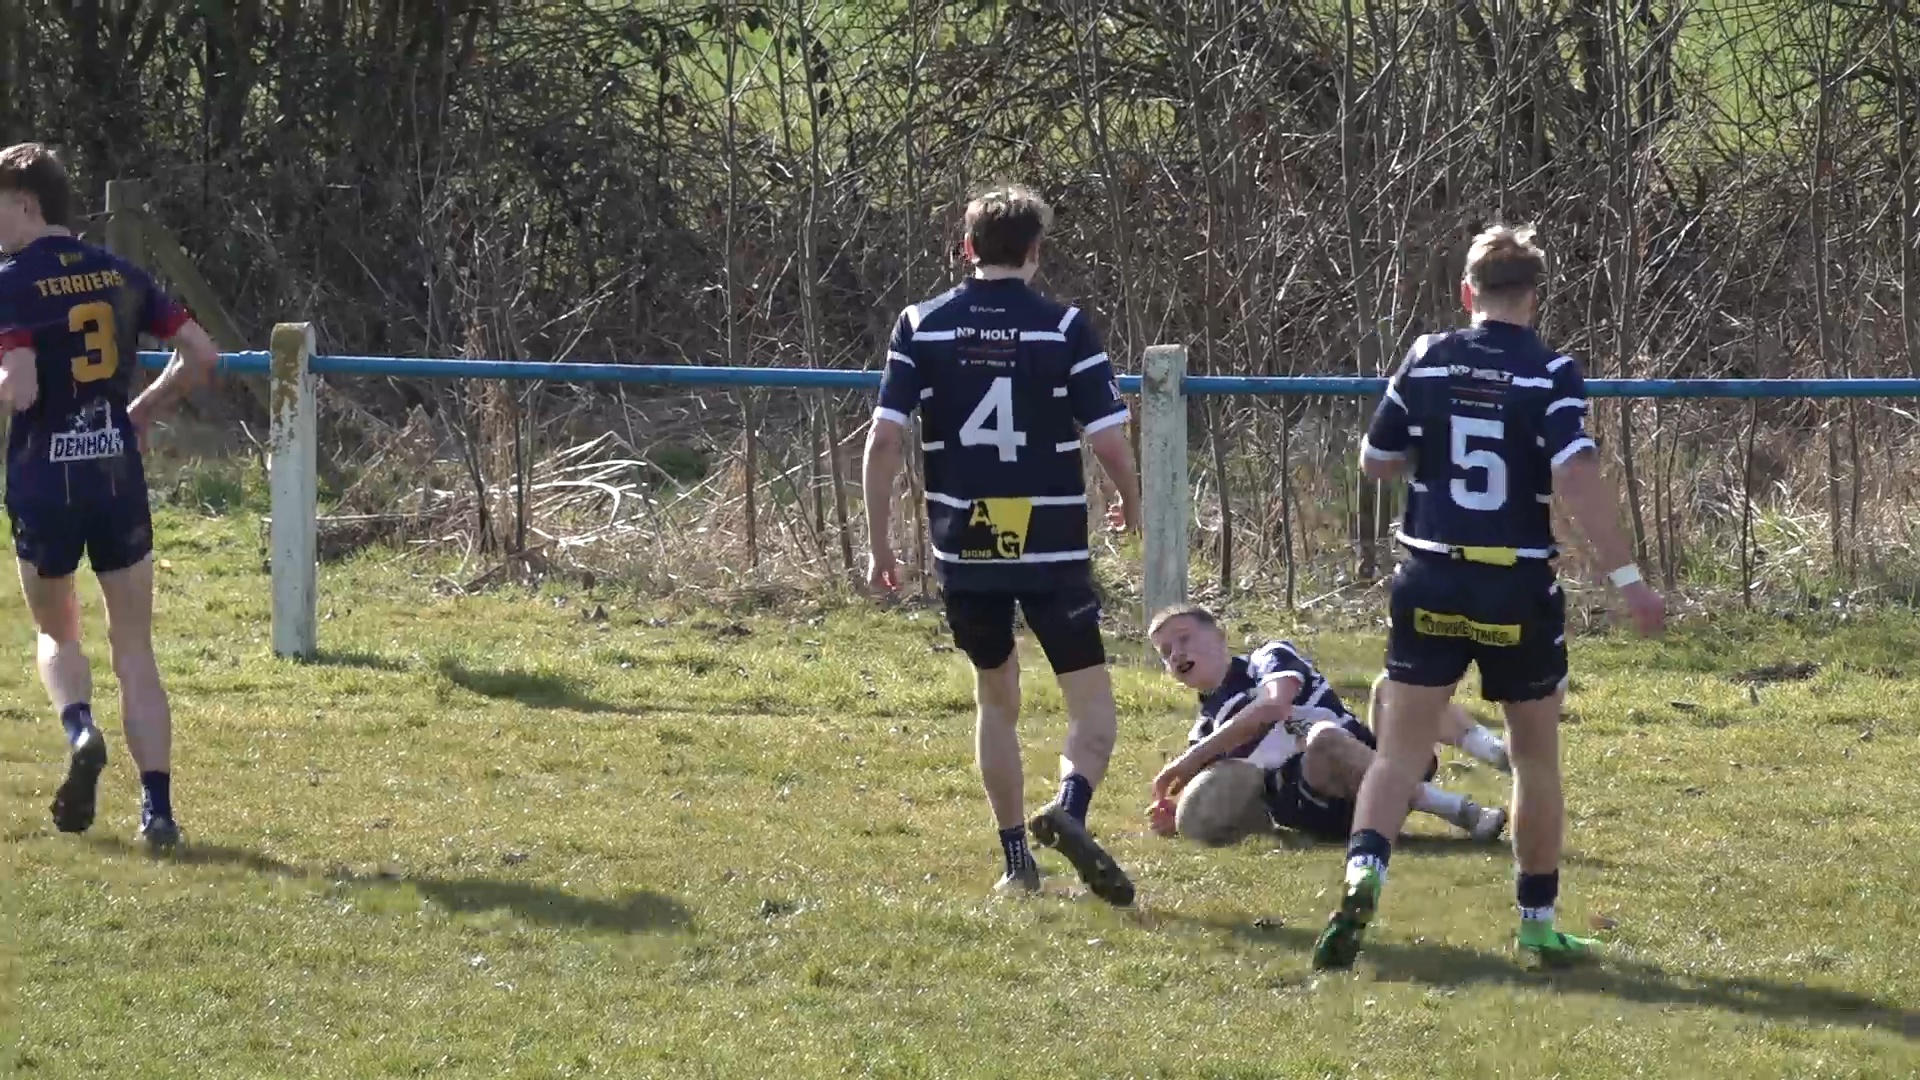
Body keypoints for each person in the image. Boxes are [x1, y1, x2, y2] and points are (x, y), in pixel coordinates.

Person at [1311, 225, 1666, 970]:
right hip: (1513, 584)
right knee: (1536, 761)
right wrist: (1628, 579)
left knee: (1398, 751)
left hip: (1430, 573)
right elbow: (1574, 477)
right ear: (1533, 298)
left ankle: (1363, 874)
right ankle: (1537, 923)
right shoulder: (1551, 373)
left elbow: (1376, 460)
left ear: (1466, 293)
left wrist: (1428, 454)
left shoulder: (1427, 357)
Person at [861, 185, 1142, 904]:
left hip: (969, 540)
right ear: (1036, 253)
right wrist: (1129, 498)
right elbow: (1106, 438)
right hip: (1048, 540)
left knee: (997, 697)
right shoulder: (1064, 327)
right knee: (1092, 711)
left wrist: (880, 545)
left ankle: (1017, 863)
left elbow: (885, 439)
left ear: (966, 249)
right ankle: (1070, 811)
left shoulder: (922, 325)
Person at [0, 142, 220, 850]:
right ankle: (157, 812)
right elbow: (202, 353)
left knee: (56, 634)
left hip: (44, 478)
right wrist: (146, 411)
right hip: (114, 473)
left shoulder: (10, 282)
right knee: (136, 651)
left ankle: (80, 727)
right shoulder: (120, 273)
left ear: (26, 204)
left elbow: (20, 390)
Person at [1142, 605, 1510, 845]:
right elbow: (1218, 803)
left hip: (1375, 760)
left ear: (1220, 636)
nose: (1176, 653)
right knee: (1321, 739)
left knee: (1392, 687)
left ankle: (1502, 756)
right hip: (1325, 805)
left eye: (1184, 638)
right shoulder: (1204, 732)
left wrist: (1188, 762)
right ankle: (1463, 813)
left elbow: (1273, 705)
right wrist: (1179, 814)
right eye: (1165, 652)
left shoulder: (1268, 659)